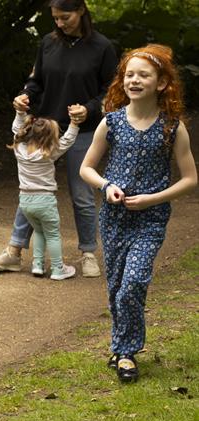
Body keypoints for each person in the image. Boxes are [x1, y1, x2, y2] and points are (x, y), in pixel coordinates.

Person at [80, 44, 197, 382]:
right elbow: (86, 169)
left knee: (133, 283)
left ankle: (128, 352)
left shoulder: (172, 127)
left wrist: (153, 199)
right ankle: (120, 348)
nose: (134, 80)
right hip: (114, 216)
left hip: (150, 218)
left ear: (161, 83)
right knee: (117, 285)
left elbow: (191, 179)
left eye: (143, 75)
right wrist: (106, 186)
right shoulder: (111, 122)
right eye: (129, 74)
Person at [0, 0, 117, 277]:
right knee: (32, 190)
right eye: (55, 18)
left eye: (65, 17)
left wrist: (89, 108)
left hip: (83, 131)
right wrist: (25, 96)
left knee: (82, 194)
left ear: (81, 11)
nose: (59, 24)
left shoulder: (102, 47)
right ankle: (13, 252)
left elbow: (112, 91)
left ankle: (88, 253)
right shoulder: (48, 42)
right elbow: (37, 82)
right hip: (45, 129)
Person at [8, 107, 84, 280]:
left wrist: (20, 114)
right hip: (45, 200)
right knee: (53, 234)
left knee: (40, 231)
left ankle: (38, 265)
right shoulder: (48, 153)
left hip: (25, 201)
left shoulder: (19, 148)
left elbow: (16, 129)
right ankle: (58, 269)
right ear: (50, 137)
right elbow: (68, 140)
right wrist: (74, 123)